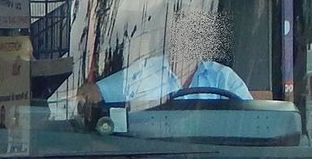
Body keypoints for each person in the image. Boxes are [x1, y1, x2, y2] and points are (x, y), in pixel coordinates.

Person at [79, 10, 251, 121]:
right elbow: (92, 93)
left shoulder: (223, 77)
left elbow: (252, 119)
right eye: (179, 27)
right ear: (169, 35)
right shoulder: (144, 70)